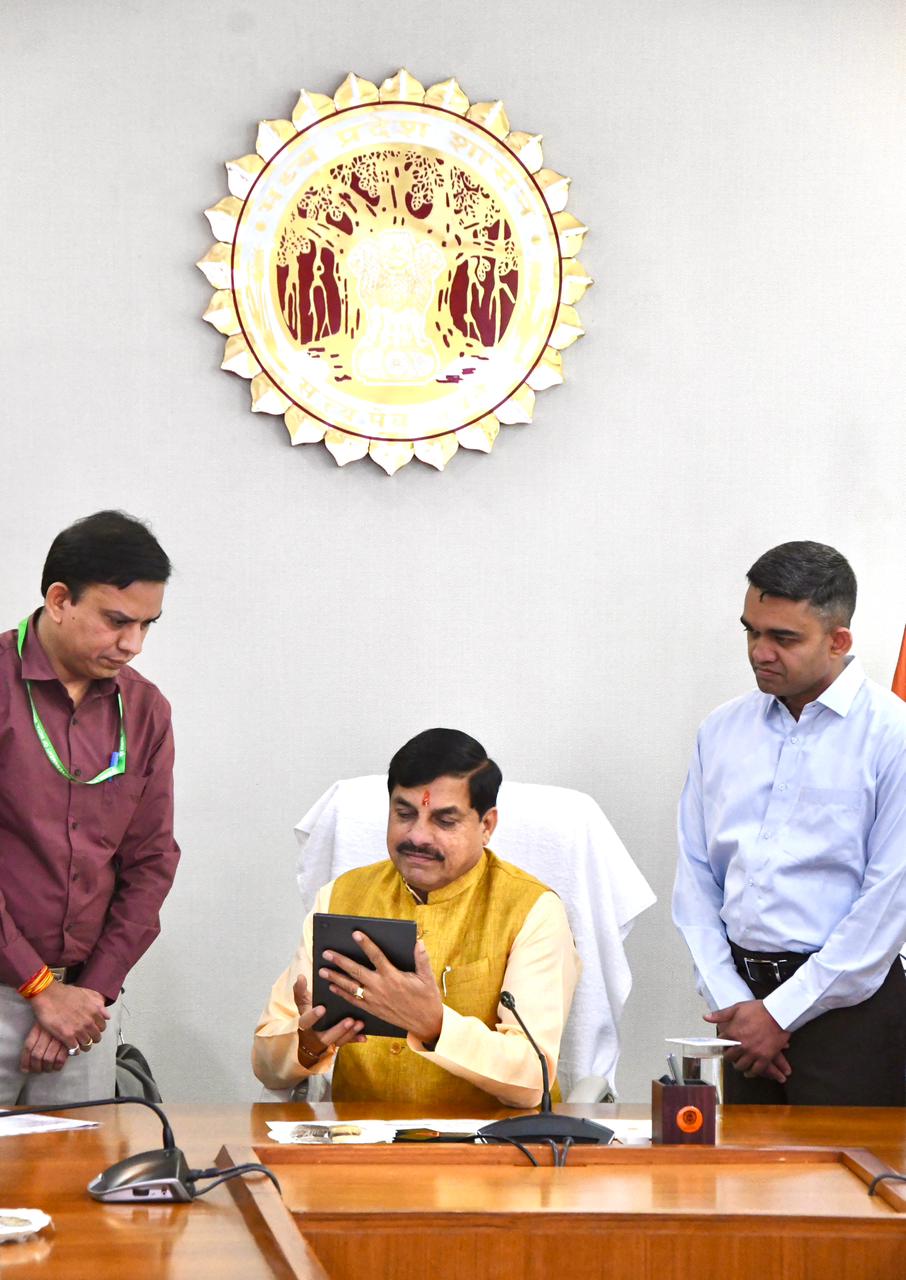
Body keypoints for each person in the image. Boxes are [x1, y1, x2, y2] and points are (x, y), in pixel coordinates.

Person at [673, 541, 906, 1105]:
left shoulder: (892, 735)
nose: (760, 652)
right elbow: (696, 879)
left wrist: (779, 1014)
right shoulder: (721, 731)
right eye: (751, 632)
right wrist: (736, 1005)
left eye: (783, 638)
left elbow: (888, 900)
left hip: (851, 1014)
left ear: (839, 640)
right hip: (741, 1015)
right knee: (742, 1164)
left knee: (850, 1166)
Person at [253, 728, 580, 1107]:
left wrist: (435, 1026)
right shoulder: (342, 897)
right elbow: (265, 1063)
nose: (419, 836)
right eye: (405, 814)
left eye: (445, 821)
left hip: (491, 1139)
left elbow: (533, 1078)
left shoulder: (532, 909)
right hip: (359, 1138)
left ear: (487, 826)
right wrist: (306, 1045)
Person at [0, 511, 180, 1105]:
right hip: (9, 988)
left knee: (80, 1164)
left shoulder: (146, 710)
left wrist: (91, 993)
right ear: (59, 600)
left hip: (85, 1012)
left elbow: (152, 861)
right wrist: (39, 988)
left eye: (147, 625)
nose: (133, 644)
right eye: (117, 621)